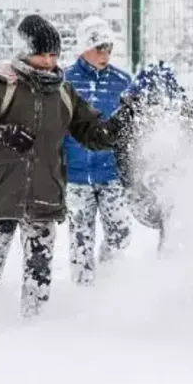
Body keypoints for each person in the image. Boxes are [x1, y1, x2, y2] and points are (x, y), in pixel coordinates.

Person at [0, 14, 135, 318]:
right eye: (41, 53)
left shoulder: (63, 92)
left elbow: (92, 132)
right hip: (1, 197)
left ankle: (35, 334)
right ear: (23, 51)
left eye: (53, 54)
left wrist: (117, 125)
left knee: (39, 278)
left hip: (45, 198)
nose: (49, 61)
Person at [62, 16, 133, 285]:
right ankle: (83, 290)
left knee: (120, 230)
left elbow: (131, 126)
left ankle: (110, 278)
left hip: (111, 173)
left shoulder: (123, 81)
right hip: (76, 175)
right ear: (83, 47)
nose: (105, 54)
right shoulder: (64, 81)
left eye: (109, 48)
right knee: (80, 236)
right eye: (99, 47)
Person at [113, 61, 193, 242]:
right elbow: (123, 159)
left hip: (174, 184)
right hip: (144, 189)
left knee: (174, 221)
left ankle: (170, 259)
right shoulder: (128, 119)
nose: (155, 111)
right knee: (170, 222)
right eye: (149, 105)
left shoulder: (189, 115)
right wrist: (137, 186)